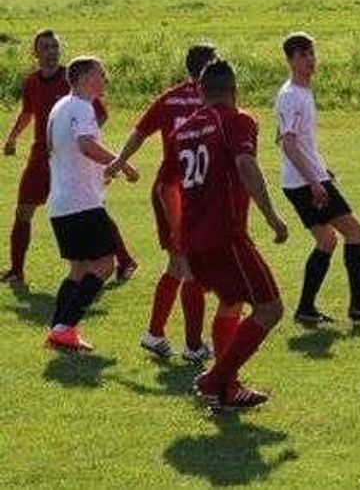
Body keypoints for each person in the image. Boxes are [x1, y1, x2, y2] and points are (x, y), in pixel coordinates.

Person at [179, 59, 288, 410]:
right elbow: (244, 163)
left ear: (200, 91)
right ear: (234, 89)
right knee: (270, 309)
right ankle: (215, 380)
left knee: (231, 304)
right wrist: (272, 216)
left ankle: (229, 390)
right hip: (225, 236)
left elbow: (172, 182)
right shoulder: (237, 119)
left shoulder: (184, 130)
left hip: (194, 238)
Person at [274, 32, 360, 325]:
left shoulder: (299, 92)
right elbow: (287, 143)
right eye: (302, 55)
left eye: (311, 53)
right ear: (290, 60)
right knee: (354, 231)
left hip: (300, 179)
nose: (309, 60)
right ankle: (359, 305)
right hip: (304, 183)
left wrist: (320, 169)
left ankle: (306, 309)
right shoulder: (291, 96)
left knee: (327, 240)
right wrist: (315, 180)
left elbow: (283, 138)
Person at [107, 44, 217, 362]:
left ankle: (155, 334)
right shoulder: (212, 99)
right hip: (176, 191)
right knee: (190, 266)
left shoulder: (171, 97)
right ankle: (194, 345)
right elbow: (141, 132)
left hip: (184, 190)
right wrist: (118, 162)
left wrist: (119, 161)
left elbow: (140, 132)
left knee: (179, 265)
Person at [2, 29, 137, 286]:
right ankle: (17, 271)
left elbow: (101, 114)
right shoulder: (31, 82)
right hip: (40, 158)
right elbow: (27, 112)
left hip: (69, 161)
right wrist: (11, 138)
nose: (52, 52)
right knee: (23, 211)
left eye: (55, 47)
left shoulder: (72, 82)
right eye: (46, 47)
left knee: (91, 210)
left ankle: (125, 261)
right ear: (35, 53)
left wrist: (79, 139)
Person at [43, 56, 139, 351]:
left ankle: (57, 330)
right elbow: (85, 144)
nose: (105, 78)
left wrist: (101, 172)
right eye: (101, 73)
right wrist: (120, 163)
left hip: (61, 202)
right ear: (85, 77)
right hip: (80, 202)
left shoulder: (59, 107)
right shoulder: (81, 107)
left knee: (79, 269)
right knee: (105, 264)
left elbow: (68, 151)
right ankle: (65, 327)